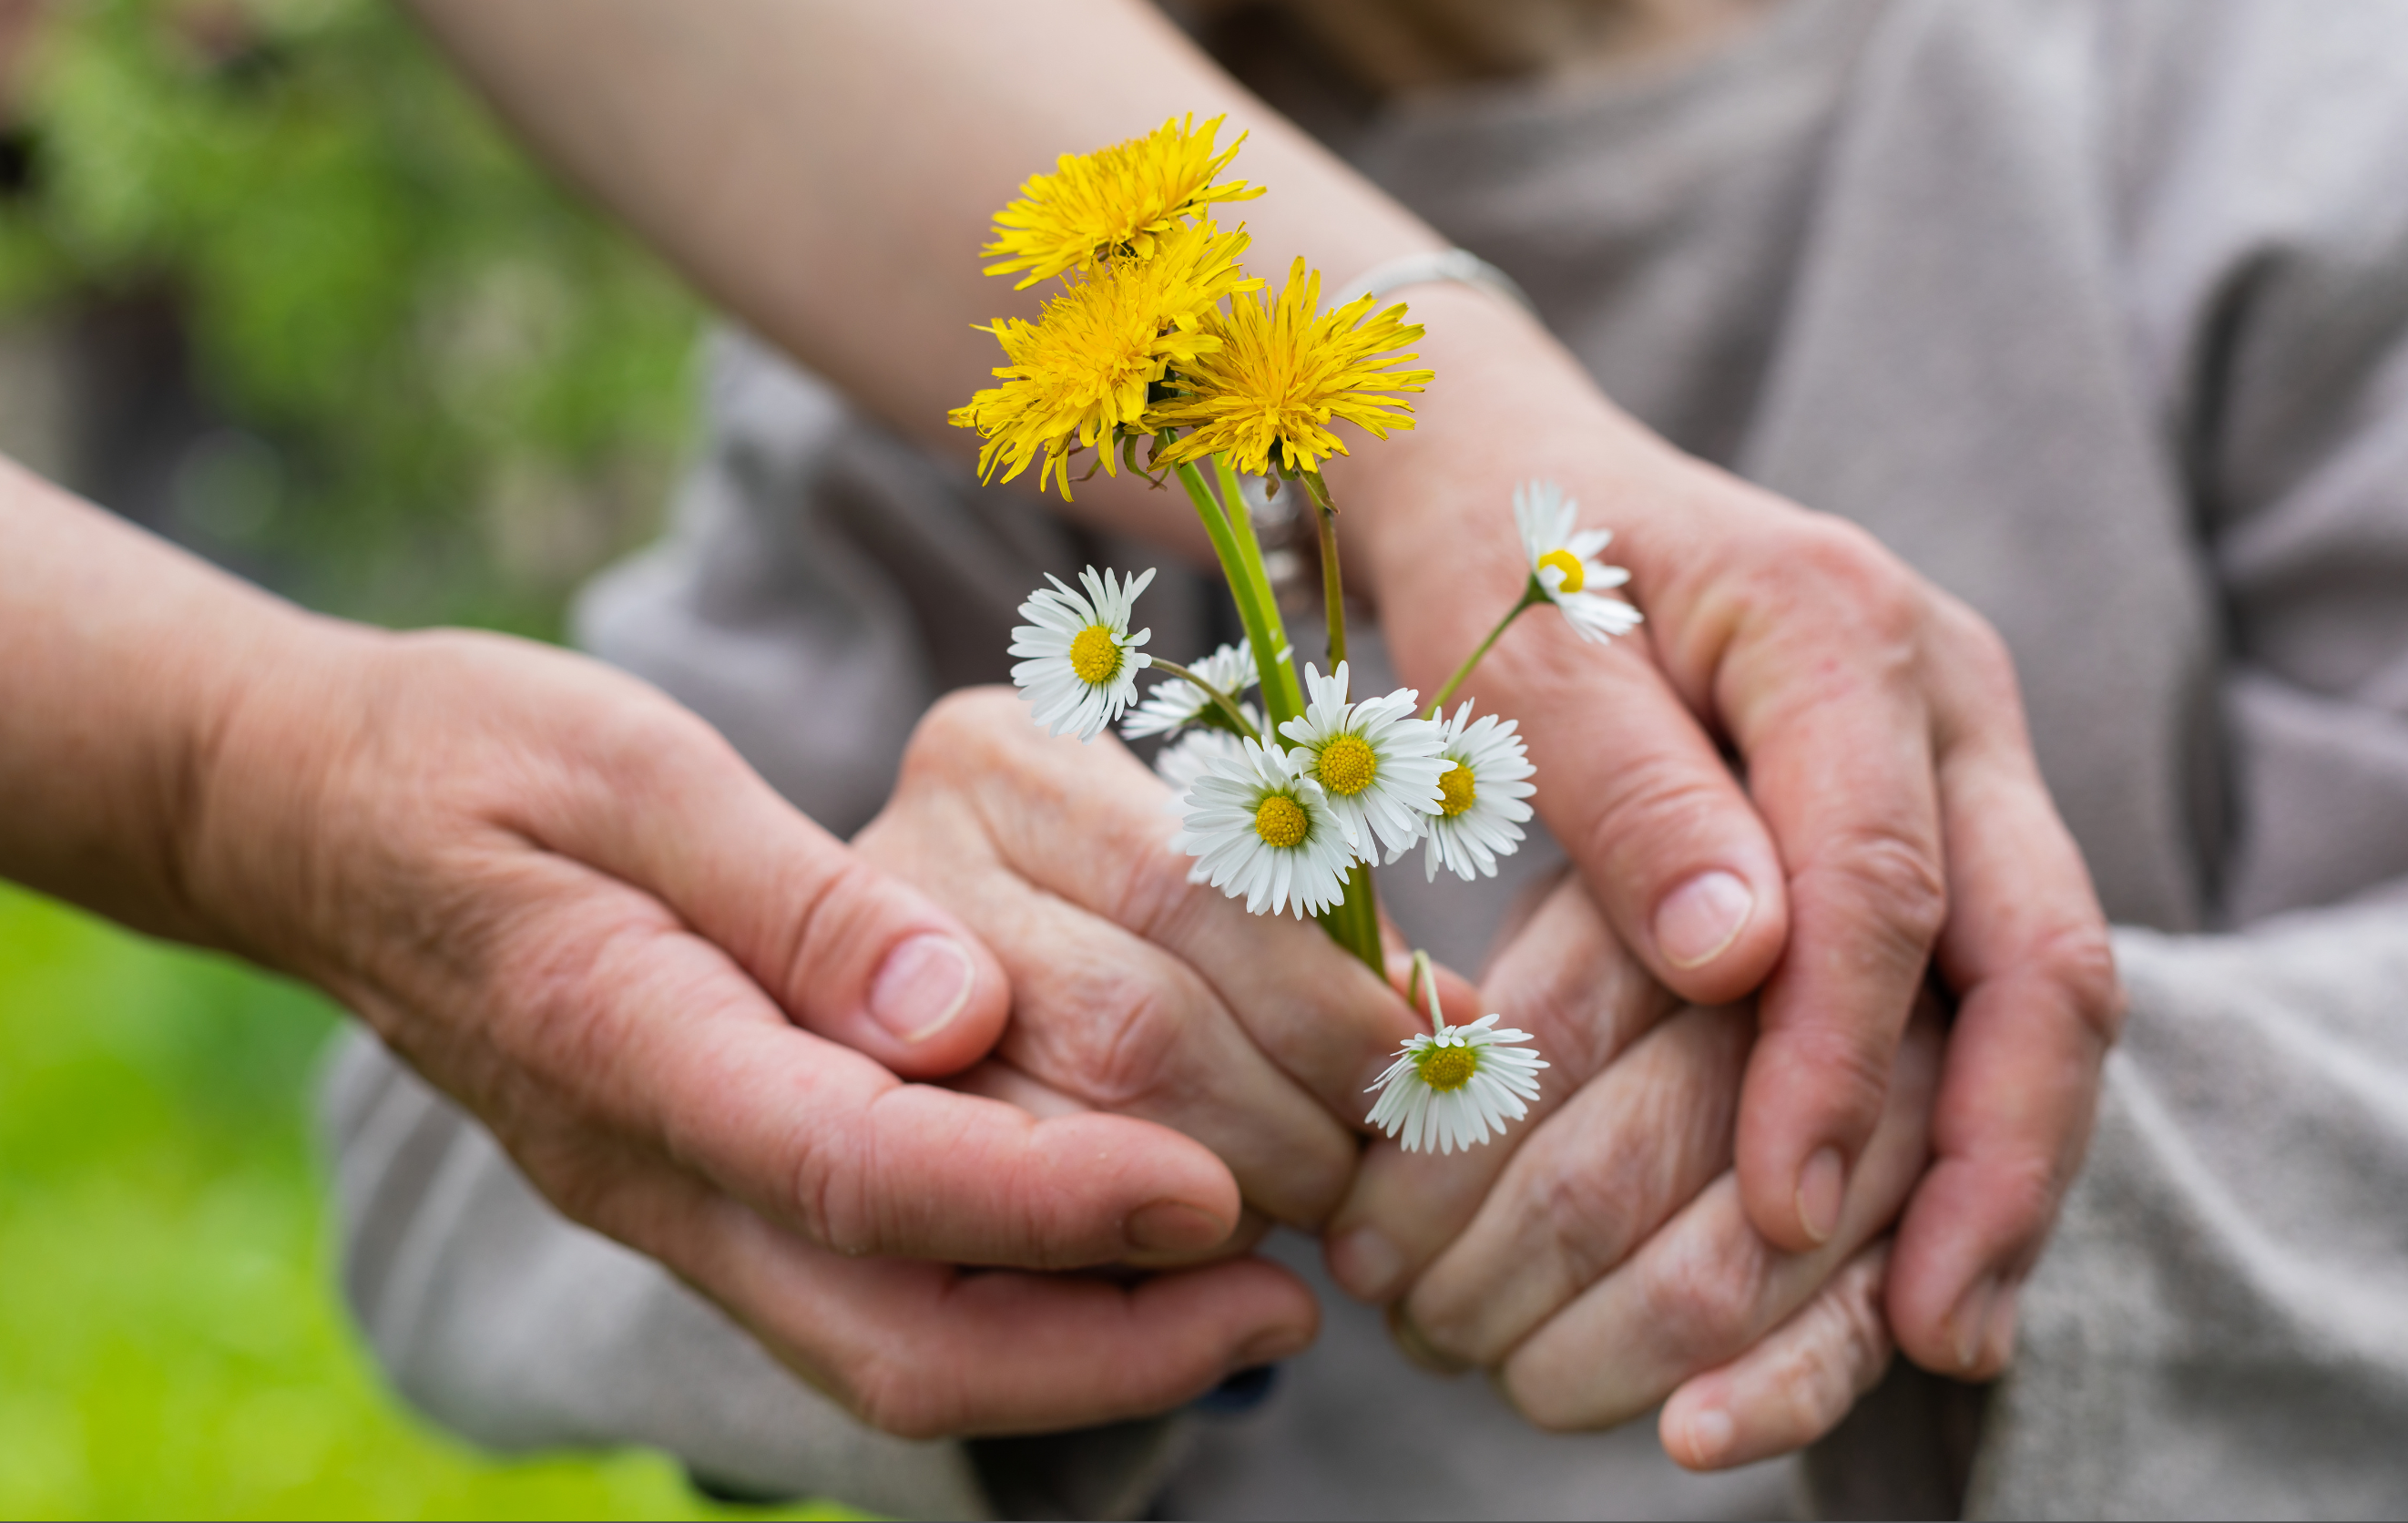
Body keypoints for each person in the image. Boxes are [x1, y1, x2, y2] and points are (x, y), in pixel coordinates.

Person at [333, 0, 2408, 1518]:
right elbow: (432, 1137)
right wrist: (913, 1078)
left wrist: (1975, 1162)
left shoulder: (2264, 116)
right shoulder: (950, 297)